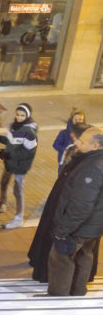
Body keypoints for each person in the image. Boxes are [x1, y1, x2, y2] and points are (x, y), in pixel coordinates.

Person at [28, 123, 94, 283]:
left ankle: (63, 286)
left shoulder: (88, 164)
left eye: (78, 140)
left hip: (71, 216)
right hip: (63, 209)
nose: (75, 143)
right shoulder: (78, 158)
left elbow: (83, 198)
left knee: (71, 256)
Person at [46, 127, 103, 296]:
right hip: (92, 226)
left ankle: (59, 297)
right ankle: (77, 293)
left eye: (82, 141)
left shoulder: (92, 168)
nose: (77, 142)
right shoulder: (96, 161)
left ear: (95, 146)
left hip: (78, 226)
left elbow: (82, 205)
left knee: (61, 258)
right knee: (84, 256)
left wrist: (63, 230)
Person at [0, 103, 38, 229]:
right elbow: (13, 142)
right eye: (17, 114)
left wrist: (8, 154)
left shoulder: (30, 132)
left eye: (22, 115)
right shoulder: (14, 126)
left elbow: (28, 152)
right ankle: (1, 204)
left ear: (28, 116)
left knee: (18, 190)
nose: (19, 117)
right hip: (10, 162)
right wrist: (1, 139)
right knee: (4, 182)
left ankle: (18, 217)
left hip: (20, 166)